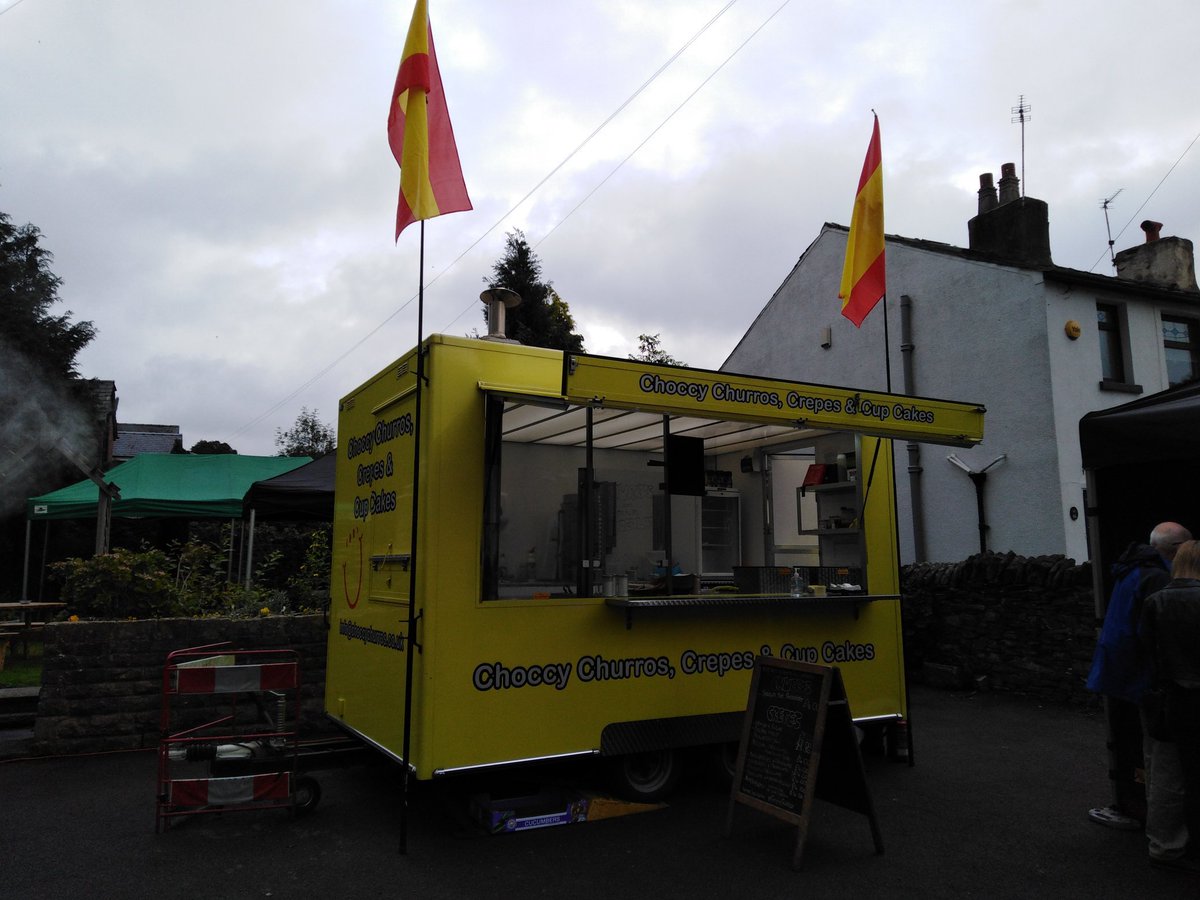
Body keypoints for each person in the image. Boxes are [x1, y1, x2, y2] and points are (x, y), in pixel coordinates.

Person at [1085, 521, 1191, 830]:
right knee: (1159, 755)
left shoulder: (1133, 569)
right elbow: (1158, 633)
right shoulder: (1157, 577)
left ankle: (1139, 810)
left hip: (1121, 670)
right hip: (1141, 676)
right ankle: (1161, 827)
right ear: (1175, 550)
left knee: (1140, 746)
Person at [1140, 538, 1200, 871]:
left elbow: (1148, 652)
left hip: (1175, 700)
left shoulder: (1155, 602)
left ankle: (1174, 845)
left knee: (1178, 776)